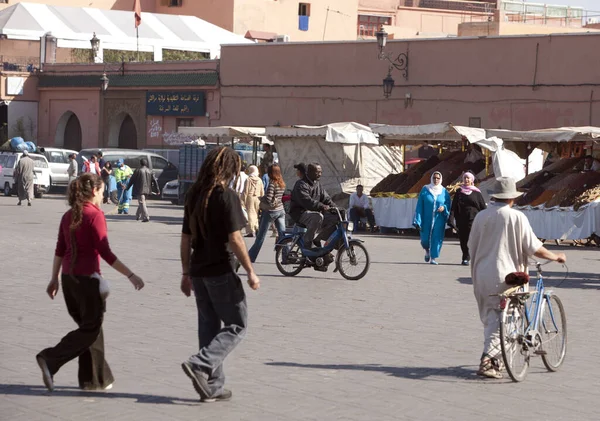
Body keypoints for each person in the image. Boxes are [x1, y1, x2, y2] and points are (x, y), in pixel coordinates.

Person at [36, 173, 144, 392]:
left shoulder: (68, 215)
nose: (104, 196)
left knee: (89, 328)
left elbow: (60, 249)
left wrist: (54, 279)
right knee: (90, 330)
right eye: (103, 191)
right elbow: (105, 252)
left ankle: (93, 380)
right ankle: (50, 358)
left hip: (68, 281)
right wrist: (131, 275)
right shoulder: (94, 215)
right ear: (94, 191)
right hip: (87, 281)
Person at [180, 146, 260, 403]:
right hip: (220, 272)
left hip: (199, 272)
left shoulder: (194, 194)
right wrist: (250, 271)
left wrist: (185, 272)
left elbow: (185, 238)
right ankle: (200, 364)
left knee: (209, 328)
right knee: (237, 325)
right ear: (231, 169)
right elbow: (235, 239)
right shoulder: (226, 196)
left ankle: (212, 385)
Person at [468, 177, 566, 379]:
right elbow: (534, 248)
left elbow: (471, 246)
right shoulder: (515, 217)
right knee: (506, 319)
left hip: (481, 274)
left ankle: (497, 360)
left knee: (491, 319)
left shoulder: (481, 216)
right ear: (512, 198)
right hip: (506, 276)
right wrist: (556, 256)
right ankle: (488, 360)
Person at [289, 162, 336, 248]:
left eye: (321, 172)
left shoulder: (317, 184)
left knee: (335, 218)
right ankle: (308, 242)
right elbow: (307, 202)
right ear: (309, 172)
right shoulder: (301, 184)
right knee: (317, 217)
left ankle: (318, 239)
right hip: (300, 213)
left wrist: (335, 208)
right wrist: (322, 206)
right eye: (317, 172)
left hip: (313, 211)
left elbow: (326, 198)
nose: (320, 174)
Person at [248, 164, 286, 262]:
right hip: (280, 210)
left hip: (270, 212)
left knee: (261, 236)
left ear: (270, 173)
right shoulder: (282, 183)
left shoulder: (272, 183)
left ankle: (251, 257)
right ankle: (286, 257)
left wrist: (261, 198)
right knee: (283, 235)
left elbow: (269, 199)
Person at [413, 171, 451, 265]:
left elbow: (448, 204)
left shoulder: (444, 191)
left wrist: (444, 208)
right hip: (426, 218)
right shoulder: (425, 189)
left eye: (438, 178)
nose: (436, 180)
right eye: (434, 178)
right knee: (425, 239)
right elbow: (419, 205)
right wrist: (418, 219)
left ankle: (433, 257)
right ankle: (427, 250)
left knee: (437, 238)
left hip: (439, 219)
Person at [449, 172, 487, 265]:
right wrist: (451, 219)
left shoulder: (476, 193)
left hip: (474, 219)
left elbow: (483, 207)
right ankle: (465, 256)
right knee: (463, 239)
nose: (466, 180)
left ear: (472, 180)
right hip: (461, 219)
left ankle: (471, 256)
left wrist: (487, 218)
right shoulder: (459, 192)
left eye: (468, 178)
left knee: (472, 238)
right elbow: (453, 207)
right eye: (465, 178)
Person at [128, 158, 159, 222]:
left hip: (140, 189)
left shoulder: (137, 170)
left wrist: (127, 187)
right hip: (148, 190)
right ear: (146, 163)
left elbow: (132, 180)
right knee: (142, 203)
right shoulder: (150, 171)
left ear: (140, 163)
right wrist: (157, 190)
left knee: (142, 203)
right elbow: (155, 181)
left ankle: (146, 216)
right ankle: (137, 215)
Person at [241, 165, 264, 237]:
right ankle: (256, 227)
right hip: (258, 198)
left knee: (250, 214)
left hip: (250, 198)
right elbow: (262, 191)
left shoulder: (248, 179)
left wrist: (242, 200)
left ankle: (251, 230)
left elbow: (245, 191)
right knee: (256, 213)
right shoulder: (259, 180)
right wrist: (262, 200)